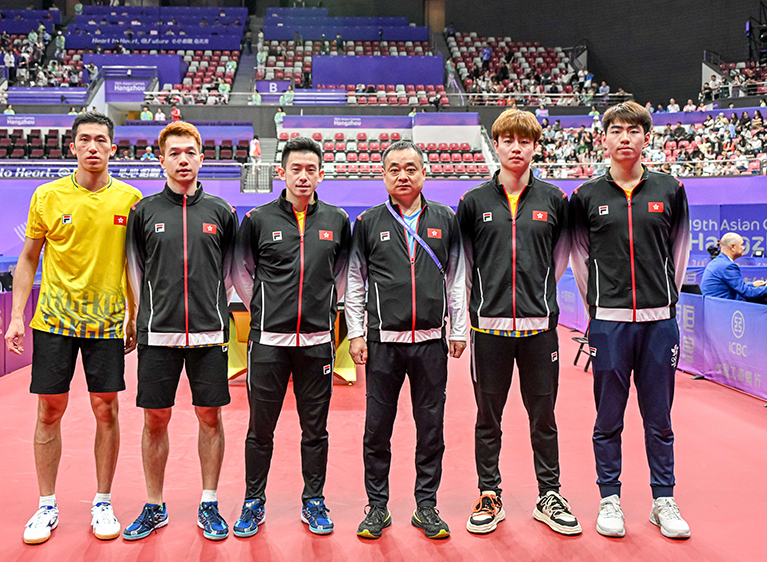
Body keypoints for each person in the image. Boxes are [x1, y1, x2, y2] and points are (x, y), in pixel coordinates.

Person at [5, 112, 143, 545]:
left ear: (113, 148)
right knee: (49, 410)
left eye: (101, 140)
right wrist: (15, 316)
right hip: (54, 321)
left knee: (107, 409)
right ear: (72, 148)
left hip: (106, 324)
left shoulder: (130, 199)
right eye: (84, 140)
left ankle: (103, 501)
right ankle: (46, 505)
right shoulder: (47, 196)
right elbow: (29, 258)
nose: (93, 148)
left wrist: (135, 314)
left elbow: (134, 264)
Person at [569, 101, 691, 540]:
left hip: (660, 322)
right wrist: (598, 309)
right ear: (604, 138)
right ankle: (610, 497)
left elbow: (679, 252)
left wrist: (664, 301)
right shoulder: (586, 197)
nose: (625, 137)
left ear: (646, 137)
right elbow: (580, 259)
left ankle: (664, 499)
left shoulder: (671, 189)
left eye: (633, 130)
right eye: (616, 130)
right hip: (609, 323)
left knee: (659, 417)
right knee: (609, 417)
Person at [456, 109, 578, 537]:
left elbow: (560, 258)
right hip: (487, 330)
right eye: (507, 139)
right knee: (488, 417)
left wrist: (538, 298)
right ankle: (489, 493)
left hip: (539, 330)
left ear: (534, 147)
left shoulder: (553, 200)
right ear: (496, 144)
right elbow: (464, 267)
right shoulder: (473, 202)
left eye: (523, 141)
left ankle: (550, 494)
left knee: (543, 416)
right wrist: (473, 312)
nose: (516, 147)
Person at [346, 141, 468, 540]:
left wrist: (458, 328)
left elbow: (456, 277)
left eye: (411, 168)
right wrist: (358, 333)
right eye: (394, 169)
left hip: (431, 342)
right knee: (377, 428)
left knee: (430, 427)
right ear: (383, 175)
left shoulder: (445, 219)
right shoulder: (367, 223)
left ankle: (426, 506)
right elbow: (354, 281)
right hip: (383, 343)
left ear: (423, 173)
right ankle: (377, 507)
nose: (403, 175)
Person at [230, 137, 351, 537]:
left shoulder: (337, 221)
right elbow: (241, 272)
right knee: (260, 430)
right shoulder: (258, 220)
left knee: (315, 430)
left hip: (317, 343)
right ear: (280, 172)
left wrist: (321, 307)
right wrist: (264, 311)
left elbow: (343, 274)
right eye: (295, 168)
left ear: (320, 173)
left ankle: (313, 500)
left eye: (310, 169)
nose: (303, 176)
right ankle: (253, 501)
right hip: (268, 345)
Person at [122, 122, 238, 542]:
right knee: (156, 419)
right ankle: (155, 505)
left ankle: (209, 502)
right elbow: (135, 269)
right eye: (174, 153)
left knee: (210, 416)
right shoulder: (144, 211)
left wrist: (212, 308)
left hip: (209, 333)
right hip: (158, 332)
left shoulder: (222, 211)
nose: (183, 159)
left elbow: (229, 272)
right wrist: (138, 315)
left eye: (190, 152)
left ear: (202, 158)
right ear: (161, 160)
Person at [700, 233, 767, 300]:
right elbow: (746, 293)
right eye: (741, 245)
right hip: (722, 310)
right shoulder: (728, 266)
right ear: (733, 247)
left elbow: (732, 285)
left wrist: (752, 284)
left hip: (712, 307)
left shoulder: (717, 261)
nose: (743, 248)